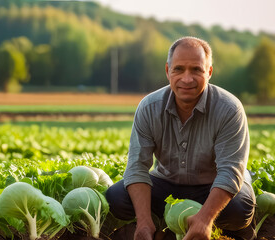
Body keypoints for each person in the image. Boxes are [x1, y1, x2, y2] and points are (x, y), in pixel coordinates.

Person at [105, 36, 255, 240]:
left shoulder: (229, 109)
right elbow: (137, 167)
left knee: (240, 210)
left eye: (196, 69)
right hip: (166, 183)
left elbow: (229, 172)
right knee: (117, 198)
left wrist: (205, 219)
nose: (187, 79)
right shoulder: (149, 108)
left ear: (209, 72)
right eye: (178, 69)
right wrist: (143, 220)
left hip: (211, 184)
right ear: (168, 71)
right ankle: (160, 222)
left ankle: (222, 225)